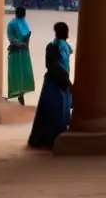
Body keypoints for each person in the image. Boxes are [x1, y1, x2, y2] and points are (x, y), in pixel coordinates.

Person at [27, 21, 73, 149]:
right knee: (55, 110)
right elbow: (52, 65)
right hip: (55, 82)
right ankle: (50, 139)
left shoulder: (61, 46)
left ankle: (51, 139)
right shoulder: (55, 46)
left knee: (58, 111)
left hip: (58, 81)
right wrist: (66, 81)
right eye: (65, 31)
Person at [6, 6, 35, 105]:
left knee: (21, 74)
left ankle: (20, 95)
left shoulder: (21, 22)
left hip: (22, 51)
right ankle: (19, 96)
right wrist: (22, 45)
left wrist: (25, 45)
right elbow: (12, 38)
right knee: (17, 74)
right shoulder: (13, 23)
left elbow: (27, 35)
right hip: (17, 52)